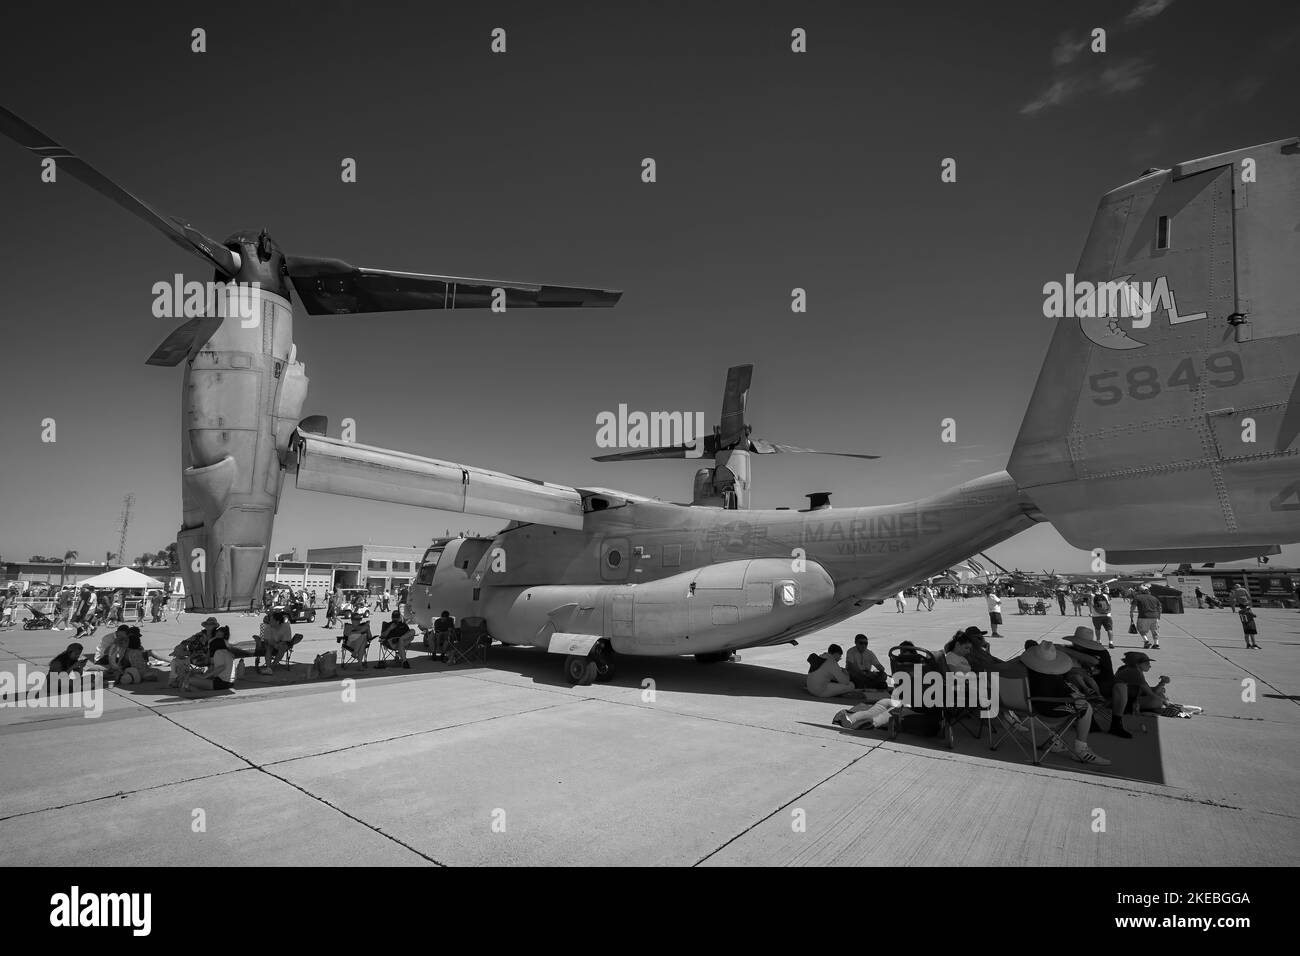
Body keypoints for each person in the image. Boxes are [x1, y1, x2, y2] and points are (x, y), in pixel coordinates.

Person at [1019, 641, 1111, 765]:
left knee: (1066, 703)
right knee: (1085, 707)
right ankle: (1081, 750)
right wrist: (1081, 696)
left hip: (1021, 712)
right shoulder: (1053, 676)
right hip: (1044, 716)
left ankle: (1054, 742)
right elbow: (1068, 694)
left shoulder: (1021, 671)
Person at [1109, 651, 1164, 737]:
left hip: (1124, 697)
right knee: (1157, 701)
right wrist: (1163, 697)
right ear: (1138, 664)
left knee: (1160, 694)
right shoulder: (1135, 672)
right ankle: (1134, 709)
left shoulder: (1129, 669)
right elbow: (1150, 693)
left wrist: (1162, 684)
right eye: (1147, 663)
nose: (1150, 665)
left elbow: (1147, 689)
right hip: (1126, 702)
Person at [1129, 584, 1162, 650]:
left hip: (1143, 616)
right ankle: (1156, 644)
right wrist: (1158, 616)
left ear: (1140, 591)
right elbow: (1160, 608)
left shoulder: (1137, 597)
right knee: (1155, 631)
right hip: (1155, 617)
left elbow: (1133, 606)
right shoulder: (1154, 598)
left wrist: (1131, 612)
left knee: (1141, 629)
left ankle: (1146, 641)